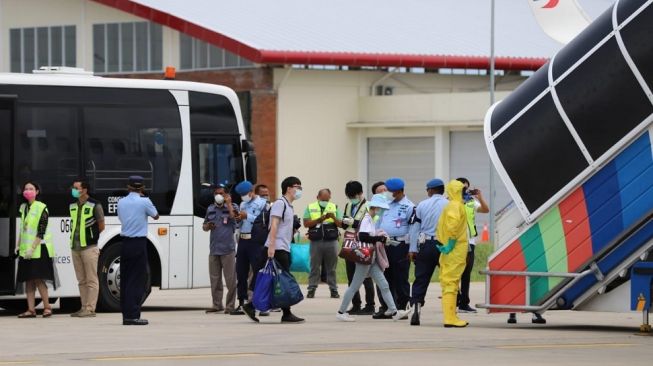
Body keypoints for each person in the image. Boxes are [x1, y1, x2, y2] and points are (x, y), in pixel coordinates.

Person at [336, 194, 411, 322]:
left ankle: (394, 312)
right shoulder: (367, 219)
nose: (382, 211)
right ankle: (341, 312)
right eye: (381, 208)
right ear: (375, 207)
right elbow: (363, 237)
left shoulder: (370, 218)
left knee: (384, 285)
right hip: (365, 258)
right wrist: (379, 238)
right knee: (354, 286)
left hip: (371, 258)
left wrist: (380, 238)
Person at [243, 176, 305, 323]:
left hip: (283, 247)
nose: (299, 190)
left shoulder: (289, 206)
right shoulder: (279, 204)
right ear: (289, 188)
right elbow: (274, 225)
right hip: (276, 249)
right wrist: (271, 247)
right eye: (298, 187)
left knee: (276, 280)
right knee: (282, 280)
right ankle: (286, 313)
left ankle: (252, 306)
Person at [117, 176, 159, 325]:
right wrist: (144, 197)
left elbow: (121, 218)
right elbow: (156, 215)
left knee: (126, 279)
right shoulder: (144, 201)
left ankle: (125, 314)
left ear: (128, 187)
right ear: (142, 187)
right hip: (138, 244)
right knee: (137, 280)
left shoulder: (121, 202)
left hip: (125, 243)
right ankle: (133, 315)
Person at [407, 178, 447, 325]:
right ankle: (450, 311)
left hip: (426, 244)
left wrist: (412, 248)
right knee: (449, 278)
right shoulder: (450, 205)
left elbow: (415, 228)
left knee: (421, 278)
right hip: (446, 246)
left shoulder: (422, 205)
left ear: (430, 190)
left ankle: (416, 306)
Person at [374, 177, 415, 319]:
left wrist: (412, 248)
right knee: (385, 276)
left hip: (400, 245)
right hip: (384, 244)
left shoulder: (409, 206)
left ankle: (402, 306)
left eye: (392, 192)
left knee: (400, 276)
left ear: (399, 191)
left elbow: (413, 228)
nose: (390, 194)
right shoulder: (387, 205)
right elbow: (379, 222)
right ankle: (389, 307)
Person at [15, 181, 56, 318]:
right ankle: (31, 310)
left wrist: (32, 248)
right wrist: (18, 245)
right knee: (28, 280)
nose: (28, 191)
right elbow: (23, 229)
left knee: (38, 279)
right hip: (25, 250)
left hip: (38, 249)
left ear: (37, 191)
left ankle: (47, 307)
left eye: (31, 189)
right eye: (26, 189)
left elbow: (41, 230)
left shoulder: (41, 207)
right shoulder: (23, 207)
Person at [69, 178, 105, 318]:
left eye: (75, 187)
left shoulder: (95, 205)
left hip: (89, 247)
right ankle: (83, 307)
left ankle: (90, 309)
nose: (73, 189)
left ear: (84, 190)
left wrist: (91, 237)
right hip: (75, 247)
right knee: (81, 280)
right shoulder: (73, 206)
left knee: (91, 279)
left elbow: (101, 226)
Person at [436, 179, 469, 328]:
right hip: (455, 249)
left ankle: (452, 315)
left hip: (452, 248)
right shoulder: (456, 206)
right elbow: (452, 225)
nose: (465, 193)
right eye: (463, 190)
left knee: (450, 281)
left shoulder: (454, 205)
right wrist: (451, 242)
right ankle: (449, 318)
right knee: (451, 282)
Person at [203, 184, 239, 314]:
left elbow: (235, 219)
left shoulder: (233, 207)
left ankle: (230, 306)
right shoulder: (210, 208)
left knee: (230, 280)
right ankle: (217, 304)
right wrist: (208, 226)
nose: (218, 195)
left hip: (228, 249)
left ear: (226, 195)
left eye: (221, 193)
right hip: (214, 249)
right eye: (216, 193)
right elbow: (204, 226)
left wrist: (228, 203)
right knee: (215, 279)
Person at [455, 178, 489, 314]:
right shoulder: (449, 201)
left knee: (466, 274)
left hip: (469, 241)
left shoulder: (470, 201)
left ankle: (464, 303)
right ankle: (454, 299)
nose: (465, 190)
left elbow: (485, 210)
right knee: (453, 273)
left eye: (466, 188)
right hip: (454, 241)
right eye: (462, 188)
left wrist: (480, 197)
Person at [341, 181, 376, 315]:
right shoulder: (349, 205)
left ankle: (370, 305)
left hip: (363, 242)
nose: (352, 199)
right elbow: (345, 225)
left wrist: (354, 222)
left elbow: (371, 223)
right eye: (349, 196)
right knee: (351, 275)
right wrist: (343, 221)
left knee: (365, 275)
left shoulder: (368, 206)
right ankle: (356, 304)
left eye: (353, 196)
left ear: (360, 193)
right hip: (349, 242)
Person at [234, 180, 267, 313]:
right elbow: (241, 224)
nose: (243, 197)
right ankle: (241, 302)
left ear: (252, 192)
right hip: (243, 240)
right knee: (241, 272)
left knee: (258, 271)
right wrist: (239, 220)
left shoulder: (263, 204)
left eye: (245, 194)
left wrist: (248, 216)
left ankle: (259, 302)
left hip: (255, 240)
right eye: (241, 195)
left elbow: (263, 221)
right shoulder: (242, 204)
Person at [304, 188, 342, 299]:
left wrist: (333, 217)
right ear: (318, 197)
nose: (325, 201)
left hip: (332, 241)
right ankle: (311, 289)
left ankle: (333, 289)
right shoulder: (310, 207)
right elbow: (306, 223)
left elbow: (340, 224)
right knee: (314, 266)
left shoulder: (334, 207)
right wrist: (320, 219)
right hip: (316, 241)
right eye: (323, 199)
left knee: (332, 267)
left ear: (330, 197)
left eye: (327, 199)